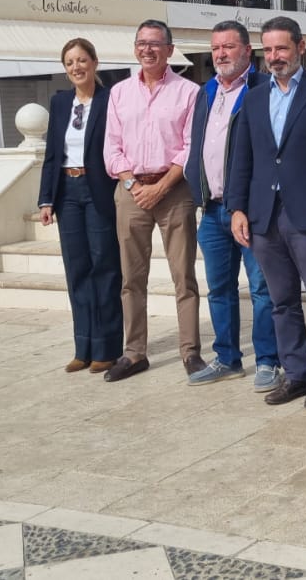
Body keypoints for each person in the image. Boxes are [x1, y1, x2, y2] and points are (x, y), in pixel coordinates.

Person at [229, 17, 306, 410]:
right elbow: (241, 160)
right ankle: (296, 374)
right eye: (268, 50)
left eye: (282, 48)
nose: (275, 57)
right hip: (265, 216)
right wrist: (237, 209)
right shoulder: (253, 98)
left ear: (300, 47)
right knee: (281, 301)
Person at [103, 19, 201, 383]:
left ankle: (190, 352)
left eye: (155, 43)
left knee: (183, 277)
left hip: (174, 190)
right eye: (141, 43)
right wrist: (132, 183)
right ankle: (134, 353)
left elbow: (191, 147)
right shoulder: (119, 93)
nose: (147, 49)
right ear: (134, 48)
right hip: (130, 192)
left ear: (170, 50)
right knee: (131, 278)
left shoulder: (189, 92)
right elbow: (112, 147)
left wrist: (160, 186)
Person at [184, 21, 280, 392]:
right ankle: (227, 358)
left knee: (262, 288)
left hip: (251, 211)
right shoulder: (206, 91)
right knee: (219, 288)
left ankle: (269, 360)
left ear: (247, 51)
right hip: (211, 209)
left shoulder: (262, 89)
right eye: (215, 48)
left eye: (228, 47)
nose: (221, 54)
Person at [37, 38, 123, 375]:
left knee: (104, 267)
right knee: (77, 270)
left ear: (95, 62)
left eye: (82, 60)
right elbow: (51, 155)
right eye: (70, 62)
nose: (76, 67)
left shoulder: (109, 100)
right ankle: (83, 346)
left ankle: (107, 348)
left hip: (98, 188)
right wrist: (47, 198)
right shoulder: (59, 103)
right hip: (66, 191)